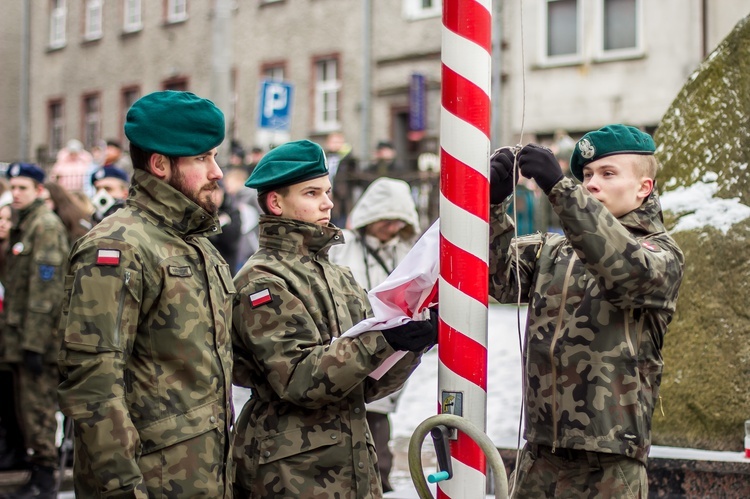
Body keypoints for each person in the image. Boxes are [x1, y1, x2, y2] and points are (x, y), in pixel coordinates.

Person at [231, 139, 437, 498]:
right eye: (311, 193)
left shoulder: (337, 276)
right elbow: (298, 380)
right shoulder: (263, 280)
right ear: (276, 202)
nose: (327, 202)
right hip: (290, 472)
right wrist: (385, 341)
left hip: (351, 461)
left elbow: (368, 386)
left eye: (326, 191)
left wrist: (410, 344)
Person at [487, 125, 684, 497]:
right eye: (587, 175)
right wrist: (494, 205)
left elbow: (626, 270)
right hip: (541, 456)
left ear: (644, 187)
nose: (592, 184)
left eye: (608, 174)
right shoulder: (555, 250)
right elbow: (497, 279)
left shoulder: (662, 254)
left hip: (608, 464)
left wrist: (562, 190)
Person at [57, 90, 235, 498]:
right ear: (159, 165)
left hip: (202, 478)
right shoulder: (120, 247)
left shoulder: (196, 244)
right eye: (202, 158)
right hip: (150, 483)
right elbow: (93, 382)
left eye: (214, 157)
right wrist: (121, 488)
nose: (217, 172)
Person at [328, 176, 421, 492]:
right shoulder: (343, 249)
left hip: (389, 350)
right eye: (386, 220)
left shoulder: (405, 252)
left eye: (398, 222)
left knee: (377, 423)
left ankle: (378, 481)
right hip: (349, 349)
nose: (392, 228)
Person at [0, 163, 69, 498]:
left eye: (23, 187)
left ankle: (45, 478)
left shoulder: (44, 226)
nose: (16, 193)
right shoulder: (24, 225)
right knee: (24, 406)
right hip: (19, 336)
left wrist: (34, 344)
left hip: (36, 339)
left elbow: (46, 293)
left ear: (40, 190)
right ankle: (33, 466)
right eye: (13, 187)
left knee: (38, 408)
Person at [324, 131, 358, 227]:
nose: (335, 145)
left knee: (340, 223)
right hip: (327, 195)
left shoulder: (348, 160)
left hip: (342, 198)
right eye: (333, 142)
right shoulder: (325, 157)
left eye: (338, 142)